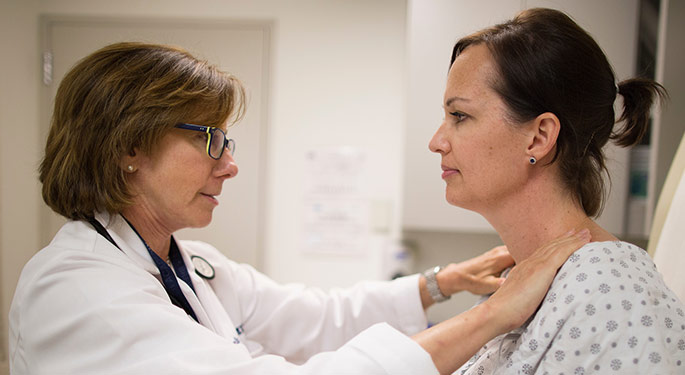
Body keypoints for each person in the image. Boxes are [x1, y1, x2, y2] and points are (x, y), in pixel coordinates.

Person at [9, 42, 589, 375]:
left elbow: (320, 318)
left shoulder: (193, 267)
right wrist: (492, 315)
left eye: (226, 141)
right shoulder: (77, 292)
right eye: (209, 138)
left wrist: (444, 283)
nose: (229, 164)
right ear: (128, 147)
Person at [428, 8, 685, 374]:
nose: (436, 142)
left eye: (459, 116)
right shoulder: (521, 287)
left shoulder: (611, 292)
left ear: (539, 137)